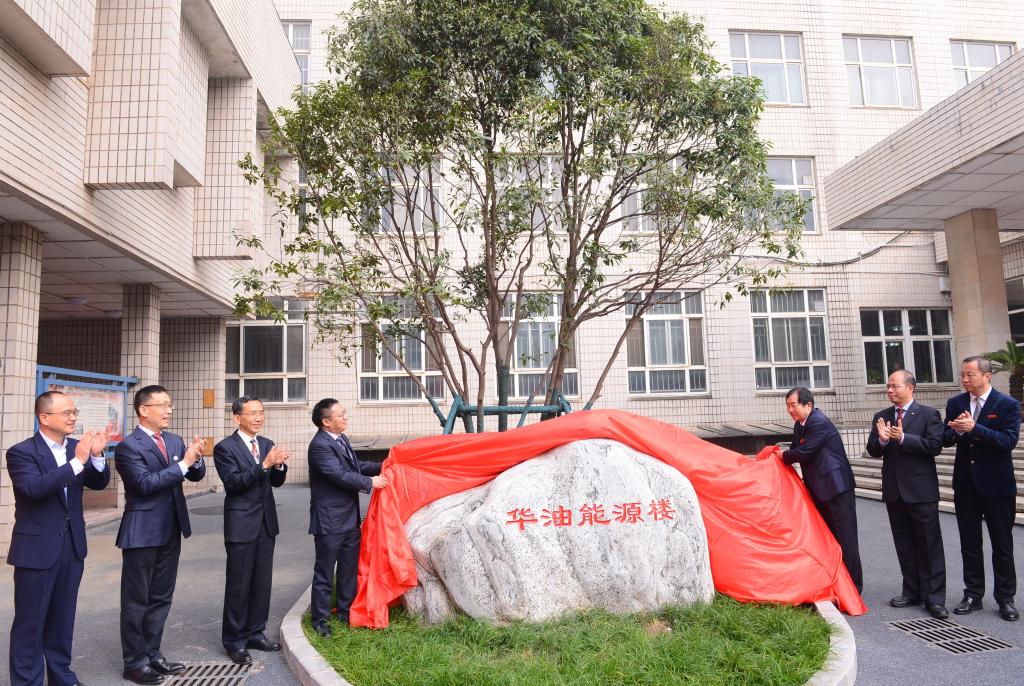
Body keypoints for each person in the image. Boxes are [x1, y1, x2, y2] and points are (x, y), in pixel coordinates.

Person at [7, 391, 110, 686]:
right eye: (67, 412)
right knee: (31, 622)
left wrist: (96, 456)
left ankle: (62, 677)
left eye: (74, 412)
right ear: (44, 417)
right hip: (37, 548)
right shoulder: (22, 452)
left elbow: (98, 482)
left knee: (63, 618)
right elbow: (34, 488)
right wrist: (77, 462)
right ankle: (27, 681)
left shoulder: (77, 448)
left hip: (71, 545)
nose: (73, 417)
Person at [115, 385, 207, 684]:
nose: (169, 410)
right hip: (142, 531)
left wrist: (197, 458)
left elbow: (194, 474)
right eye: (163, 405)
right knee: (136, 600)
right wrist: (185, 463)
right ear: (144, 410)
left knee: (161, 596)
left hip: (171, 528)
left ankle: (153, 653)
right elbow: (144, 484)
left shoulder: (173, 440)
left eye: (170, 404)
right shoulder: (129, 447)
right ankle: (134, 661)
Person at [213, 396, 289, 666]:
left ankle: (256, 632)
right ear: (237, 418)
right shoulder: (225, 448)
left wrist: (279, 465)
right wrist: (264, 465)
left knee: (261, 582)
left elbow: (276, 482)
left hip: (266, 523)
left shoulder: (266, 443)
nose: (258, 417)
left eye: (261, 412)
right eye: (252, 413)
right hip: (241, 525)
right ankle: (234, 641)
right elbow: (234, 483)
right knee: (239, 584)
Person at [943, 356, 1020, 621]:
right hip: (966, 485)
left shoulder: (1007, 404)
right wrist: (957, 431)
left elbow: (1008, 441)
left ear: (986, 376)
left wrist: (975, 428)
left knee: (1002, 544)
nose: (965, 380)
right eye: (962, 375)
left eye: (970, 375)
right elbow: (945, 438)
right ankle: (973, 594)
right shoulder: (956, 403)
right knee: (970, 544)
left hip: (998, 486)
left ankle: (1006, 598)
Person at [867, 370, 948, 619]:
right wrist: (882, 440)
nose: (890, 390)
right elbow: (873, 450)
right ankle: (912, 591)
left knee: (929, 545)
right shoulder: (882, 417)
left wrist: (903, 438)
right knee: (904, 544)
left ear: (910, 388)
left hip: (921, 491)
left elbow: (934, 446)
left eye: (895, 386)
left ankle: (934, 598)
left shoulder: (928, 414)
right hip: (894, 491)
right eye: (888, 387)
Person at [307, 399, 388, 636]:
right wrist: (370, 482)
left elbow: (354, 466)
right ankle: (320, 621)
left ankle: (345, 611)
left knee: (348, 569)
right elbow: (339, 474)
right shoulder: (320, 446)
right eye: (341, 414)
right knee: (324, 572)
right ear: (326, 421)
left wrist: (383, 466)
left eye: (345, 413)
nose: (345, 417)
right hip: (329, 520)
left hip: (349, 518)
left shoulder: (340, 438)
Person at [782, 387, 863, 593]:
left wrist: (782, 456)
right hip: (820, 488)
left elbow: (804, 452)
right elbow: (794, 449)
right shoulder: (800, 424)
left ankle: (854, 587)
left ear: (808, 405)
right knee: (829, 537)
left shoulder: (818, 422)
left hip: (837, 487)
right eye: (788, 406)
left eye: (793, 405)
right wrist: (781, 455)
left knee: (846, 539)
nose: (790, 410)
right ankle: (837, 583)